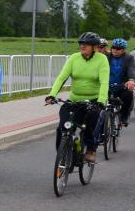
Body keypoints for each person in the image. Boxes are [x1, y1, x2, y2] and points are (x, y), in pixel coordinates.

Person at [45, 32, 109, 164]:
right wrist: (52, 95)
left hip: (93, 100)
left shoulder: (102, 59)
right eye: (81, 43)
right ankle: (62, 155)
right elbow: (62, 77)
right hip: (75, 100)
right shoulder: (74, 58)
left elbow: (104, 82)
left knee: (92, 121)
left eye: (86, 44)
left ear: (94, 47)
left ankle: (90, 149)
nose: (82, 46)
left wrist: (101, 101)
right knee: (63, 127)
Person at [108, 38, 135, 126]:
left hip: (122, 84)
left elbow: (131, 69)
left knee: (128, 94)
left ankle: (124, 115)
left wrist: (131, 80)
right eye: (113, 47)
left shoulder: (129, 58)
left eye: (118, 48)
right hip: (107, 84)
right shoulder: (106, 56)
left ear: (124, 50)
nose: (115, 50)